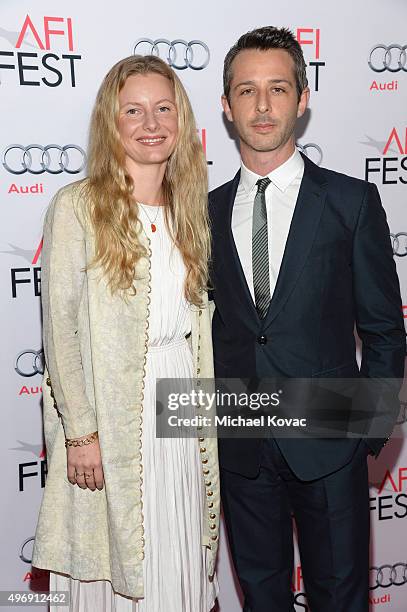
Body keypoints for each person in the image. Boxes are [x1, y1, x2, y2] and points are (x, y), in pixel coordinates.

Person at [209, 26, 405, 612]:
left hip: (330, 443)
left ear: (303, 98)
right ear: (226, 105)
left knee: (340, 597)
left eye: (277, 89)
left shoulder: (350, 202)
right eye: (246, 91)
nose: (263, 106)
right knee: (261, 597)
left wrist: (364, 436)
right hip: (241, 445)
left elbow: (385, 330)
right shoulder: (205, 210)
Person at [32, 55, 219, 612]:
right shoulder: (78, 208)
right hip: (112, 414)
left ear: (181, 120)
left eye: (163, 109)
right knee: (113, 555)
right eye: (133, 111)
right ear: (111, 124)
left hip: (182, 401)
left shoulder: (192, 210)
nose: (151, 123)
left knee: (178, 537)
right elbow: (59, 329)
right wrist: (80, 432)